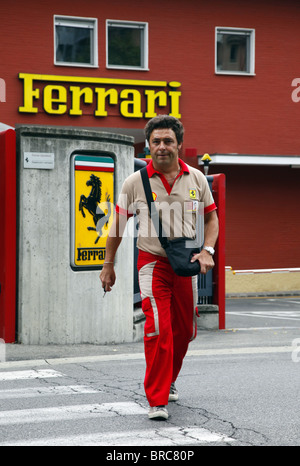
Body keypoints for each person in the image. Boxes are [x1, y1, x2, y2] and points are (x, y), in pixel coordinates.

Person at [100, 115, 219, 420]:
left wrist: (207, 250)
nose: (162, 147)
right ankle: (157, 398)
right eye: (156, 141)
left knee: (185, 332)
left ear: (179, 144)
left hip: (187, 263)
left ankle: (170, 377)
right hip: (151, 263)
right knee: (158, 329)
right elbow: (117, 225)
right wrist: (108, 264)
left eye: (168, 141)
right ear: (148, 145)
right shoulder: (134, 182)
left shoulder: (196, 179)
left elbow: (211, 219)